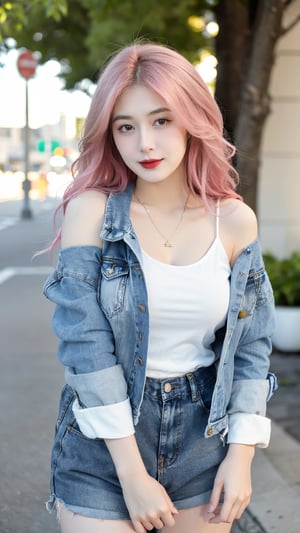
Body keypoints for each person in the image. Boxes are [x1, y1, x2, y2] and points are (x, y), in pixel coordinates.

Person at [43, 42, 277, 533]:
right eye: (126, 127)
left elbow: (251, 347)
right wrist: (131, 474)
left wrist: (240, 458)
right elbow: (86, 346)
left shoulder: (234, 222)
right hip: (103, 446)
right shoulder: (92, 213)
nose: (145, 143)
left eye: (162, 120)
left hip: (201, 438)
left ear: (193, 119)